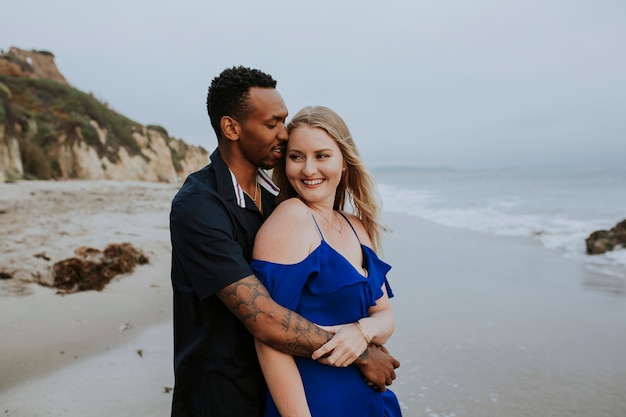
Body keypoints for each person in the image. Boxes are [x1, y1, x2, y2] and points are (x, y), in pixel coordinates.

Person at [169, 67, 400, 416]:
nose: (284, 133)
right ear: (231, 128)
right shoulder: (199, 207)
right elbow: (266, 320)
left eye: (284, 121)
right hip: (221, 393)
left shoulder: (272, 197)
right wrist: (361, 352)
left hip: (280, 387)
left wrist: (365, 333)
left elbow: (376, 311)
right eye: (272, 123)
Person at [251, 105, 402, 416]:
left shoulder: (355, 226)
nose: (308, 170)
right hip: (315, 403)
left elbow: (385, 317)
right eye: (296, 157)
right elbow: (267, 338)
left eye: (321, 156)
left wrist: (362, 332)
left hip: (370, 401)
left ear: (343, 162)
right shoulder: (291, 219)